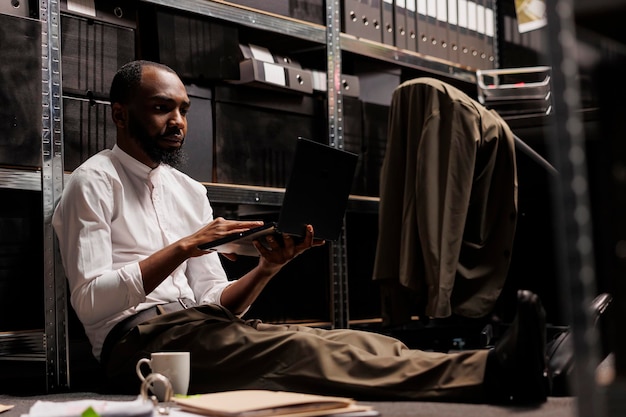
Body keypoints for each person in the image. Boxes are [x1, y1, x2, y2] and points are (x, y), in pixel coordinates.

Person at [52, 60, 548, 404]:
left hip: (201, 326)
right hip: (138, 345)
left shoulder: (188, 190)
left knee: (353, 342)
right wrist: (185, 247)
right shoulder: (92, 183)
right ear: (120, 114)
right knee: (303, 352)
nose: (178, 121)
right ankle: (491, 373)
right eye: (162, 108)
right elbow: (92, 302)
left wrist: (267, 269)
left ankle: (499, 364)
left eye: (183, 109)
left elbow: (215, 299)